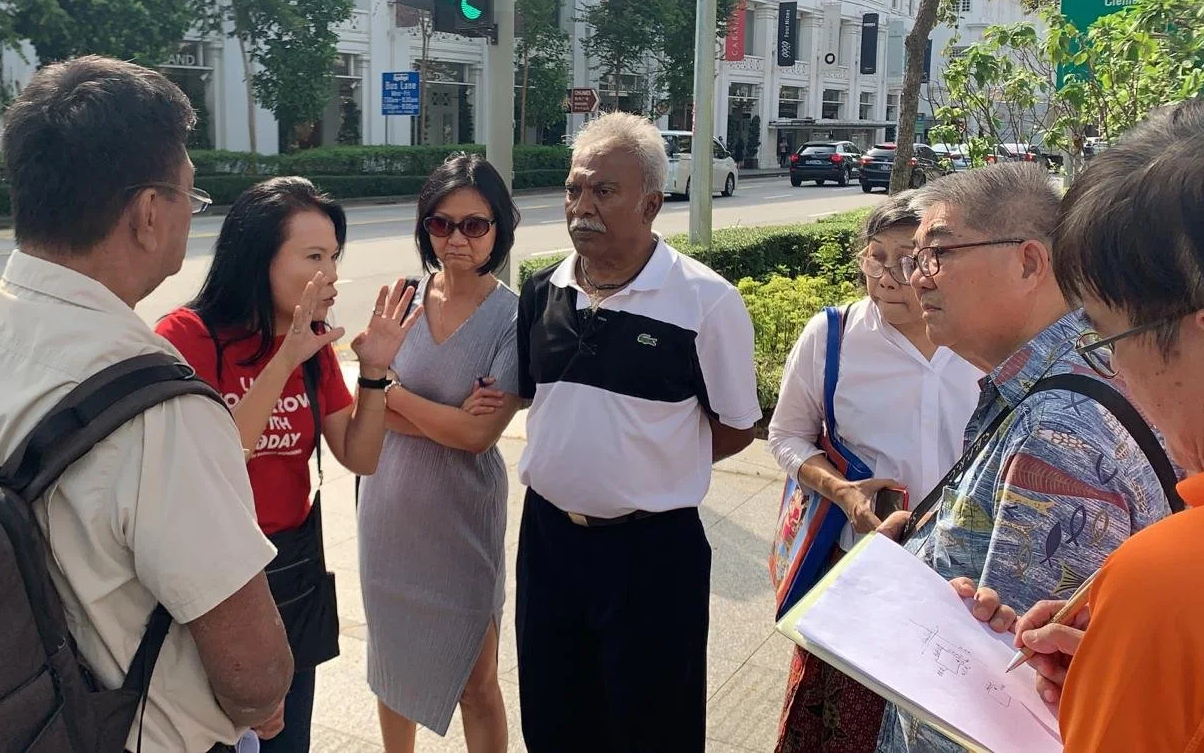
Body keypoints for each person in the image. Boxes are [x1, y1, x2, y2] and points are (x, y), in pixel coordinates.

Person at [0, 56, 293, 752]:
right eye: (189, 200)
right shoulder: (158, 405)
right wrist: (264, 695)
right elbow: (254, 674)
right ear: (146, 213)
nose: (188, 220)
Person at [871, 163, 1179, 753]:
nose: (917, 280)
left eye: (937, 254)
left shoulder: (1057, 431)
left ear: (1031, 263)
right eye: (912, 260)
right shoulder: (1071, 375)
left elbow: (1007, 699)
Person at [514, 112, 761, 752]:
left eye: (603, 191)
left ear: (652, 201)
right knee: (553, 718)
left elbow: (736, 427)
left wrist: (653, 464)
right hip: (547, 543)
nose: (581, 207)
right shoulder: (543, 289)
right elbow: (534, 394)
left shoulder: (706, 302)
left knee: (652, 730)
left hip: (651, 556)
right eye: (574, 189)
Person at [156, 176, 421, 753]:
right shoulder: (187, 337)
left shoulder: (315, 349)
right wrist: (284, 359)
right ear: (258, 259)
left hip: (289, 572)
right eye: (313, 257)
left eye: (334, 256)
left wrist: (373, 373)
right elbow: (215, 460)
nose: (330, 275)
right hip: (215, 583)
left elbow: (360, 456)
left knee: (286, 740)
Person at [1011, 99, 1204, 751]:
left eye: (1109, 339)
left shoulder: (1170, 588)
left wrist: (1144, 656)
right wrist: (1127, 677)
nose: (1113, 372)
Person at [770, 193, 983, 752]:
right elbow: (786, 435)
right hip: (865, 568)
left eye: (909, 258)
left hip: (965, 581)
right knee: (844, 726)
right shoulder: (834, 336)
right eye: (876, 256)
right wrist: (842, 492)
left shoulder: (979, 338)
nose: (889, 276)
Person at [357, 155, 522, 752]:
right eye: (440, 223)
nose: (456, 238)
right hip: (388, 508)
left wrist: (393, 392)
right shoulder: (401, 297)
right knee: (391, 668)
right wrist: (444, 416)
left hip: (463, 520)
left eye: (474, 225)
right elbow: (364, 407)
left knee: (477, 682)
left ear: (500, 228)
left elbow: (479, 437)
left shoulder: (513, 318)